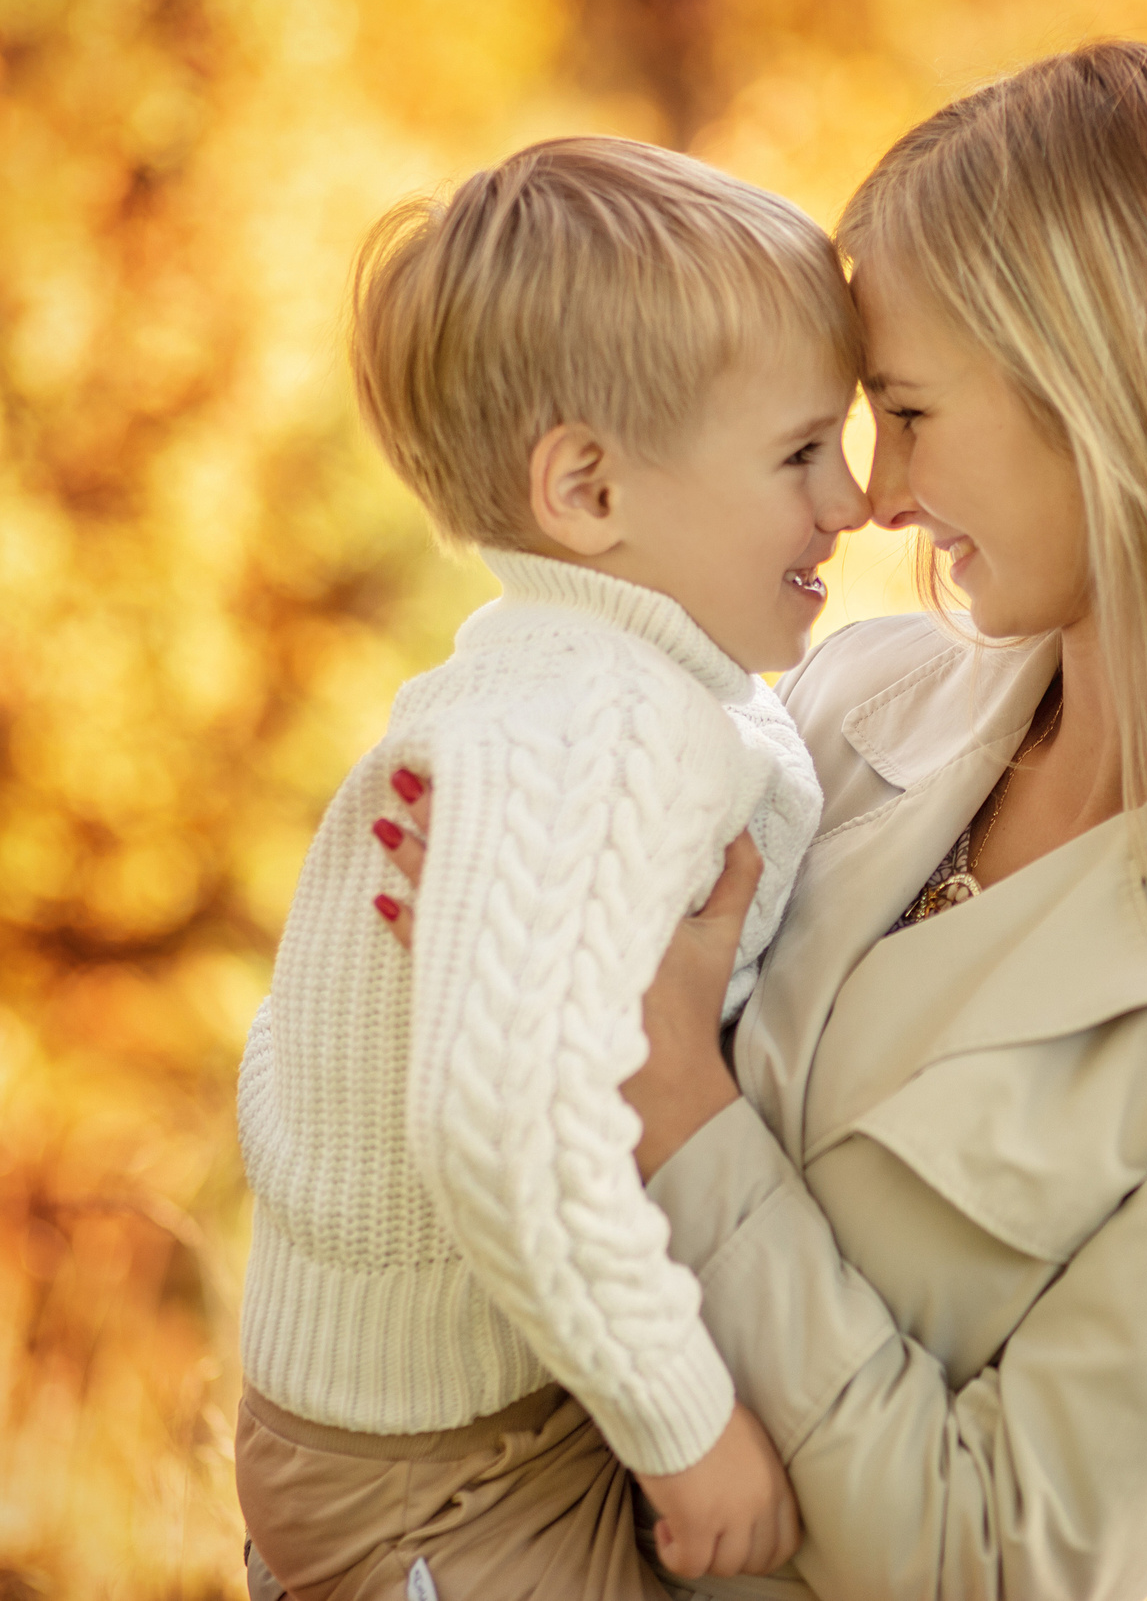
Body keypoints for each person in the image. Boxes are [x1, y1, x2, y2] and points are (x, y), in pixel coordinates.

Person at [382, 42, 1147, 1599]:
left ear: (1111, 402)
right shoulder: (853, 704)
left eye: (910, 412)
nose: (874, 493)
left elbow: (993, 1565)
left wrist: (681, 1104)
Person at [233, 135, 873, 1601]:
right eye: (797, 453)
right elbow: (501, 1121)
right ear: (587, 489)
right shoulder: (599, 718)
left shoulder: (555, 679)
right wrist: (686, 1426)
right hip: (443, 1478)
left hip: (411, 1429)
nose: (847, 500)